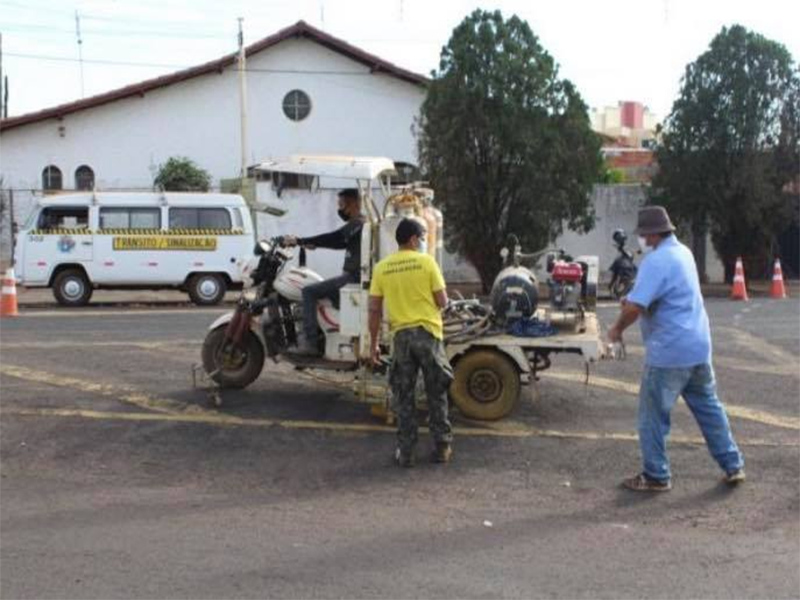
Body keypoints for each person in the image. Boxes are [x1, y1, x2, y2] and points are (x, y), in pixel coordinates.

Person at [607, 205, 745, 492]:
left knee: (652, 415)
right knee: (709, 408)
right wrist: (635, 302)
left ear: (652, 234)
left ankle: (656, 475)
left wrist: (617, 329)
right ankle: (733, 464)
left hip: (669, 352)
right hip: (698, 347)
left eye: (643, 235)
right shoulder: (683, 253)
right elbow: (664, 297)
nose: (641, 240)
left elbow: (635, 307)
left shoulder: (656, 261)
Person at [368, 217, 454, 467]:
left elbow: (374, 310)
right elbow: (442, 301)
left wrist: (373, 344)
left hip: (401, 338)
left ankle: (406, 453)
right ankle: (441, 448)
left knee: (404, 397)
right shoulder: (427, 263)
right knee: (436, 393)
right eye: (422, 238)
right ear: (413, 239)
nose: (424, 243)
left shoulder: (382, 268)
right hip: (428, 335)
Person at [284, 188, 364, 357]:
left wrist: (300, 241)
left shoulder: (358, 224)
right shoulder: (355, 228)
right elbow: (338, 242)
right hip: (351, 277)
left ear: (353, 204)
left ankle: (310, 342)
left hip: (353, 279)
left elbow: (334, 238)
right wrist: (311, 244)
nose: (340, 210)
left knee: (309, 291)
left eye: (342, 205)